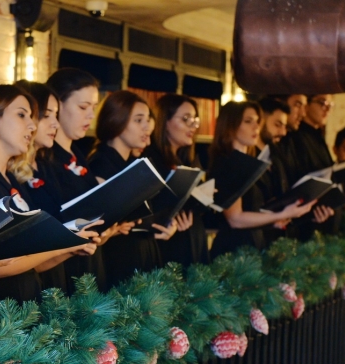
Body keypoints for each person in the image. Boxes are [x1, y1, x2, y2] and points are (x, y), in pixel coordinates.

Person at [0, 84, 98, 303]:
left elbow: (33, 261)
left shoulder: (9, 178)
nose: (32, 125)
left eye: (32, 117)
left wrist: (71, 247)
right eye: (22, 115)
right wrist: (66, 243)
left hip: (31, 300)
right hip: (5, 308)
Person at [46, 68, 127, 290]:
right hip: (62, 274)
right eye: (83, 107)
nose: (91, 116)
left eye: (93, 108)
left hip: (90, 263)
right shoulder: (45, 159)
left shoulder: (78, 154)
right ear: (57, 106)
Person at [88, 90, 177, 286]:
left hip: (143, 253)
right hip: (118, 259)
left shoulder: (133, 163)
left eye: (148, 119)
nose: (147, 126)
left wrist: (166, 224)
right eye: (138, 120)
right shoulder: (100, 163)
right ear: (116, 121)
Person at [208, 101, 315, 258]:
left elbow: (253, 209)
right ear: (230, 125)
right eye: (248, 121)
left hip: (255, 245)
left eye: (258, 121)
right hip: (235, 251)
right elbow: (235, 219)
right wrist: (280, 215)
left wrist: (273, 220)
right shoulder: (228, 162)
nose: (256, 127)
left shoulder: (249, 161)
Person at [256, 97, 334, 245]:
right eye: (278, 125)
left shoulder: (276, 157)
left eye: (284, 126)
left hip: (280, 240)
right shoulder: (249, 158)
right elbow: (235, 218)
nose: (283, 132)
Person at [144, 94, 200, 266]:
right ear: (164, 122)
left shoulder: (188, 158)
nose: (193, 125)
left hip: (191, 238)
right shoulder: (151, 159)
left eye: (195, 119)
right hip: (164, 246)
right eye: (185, 119)